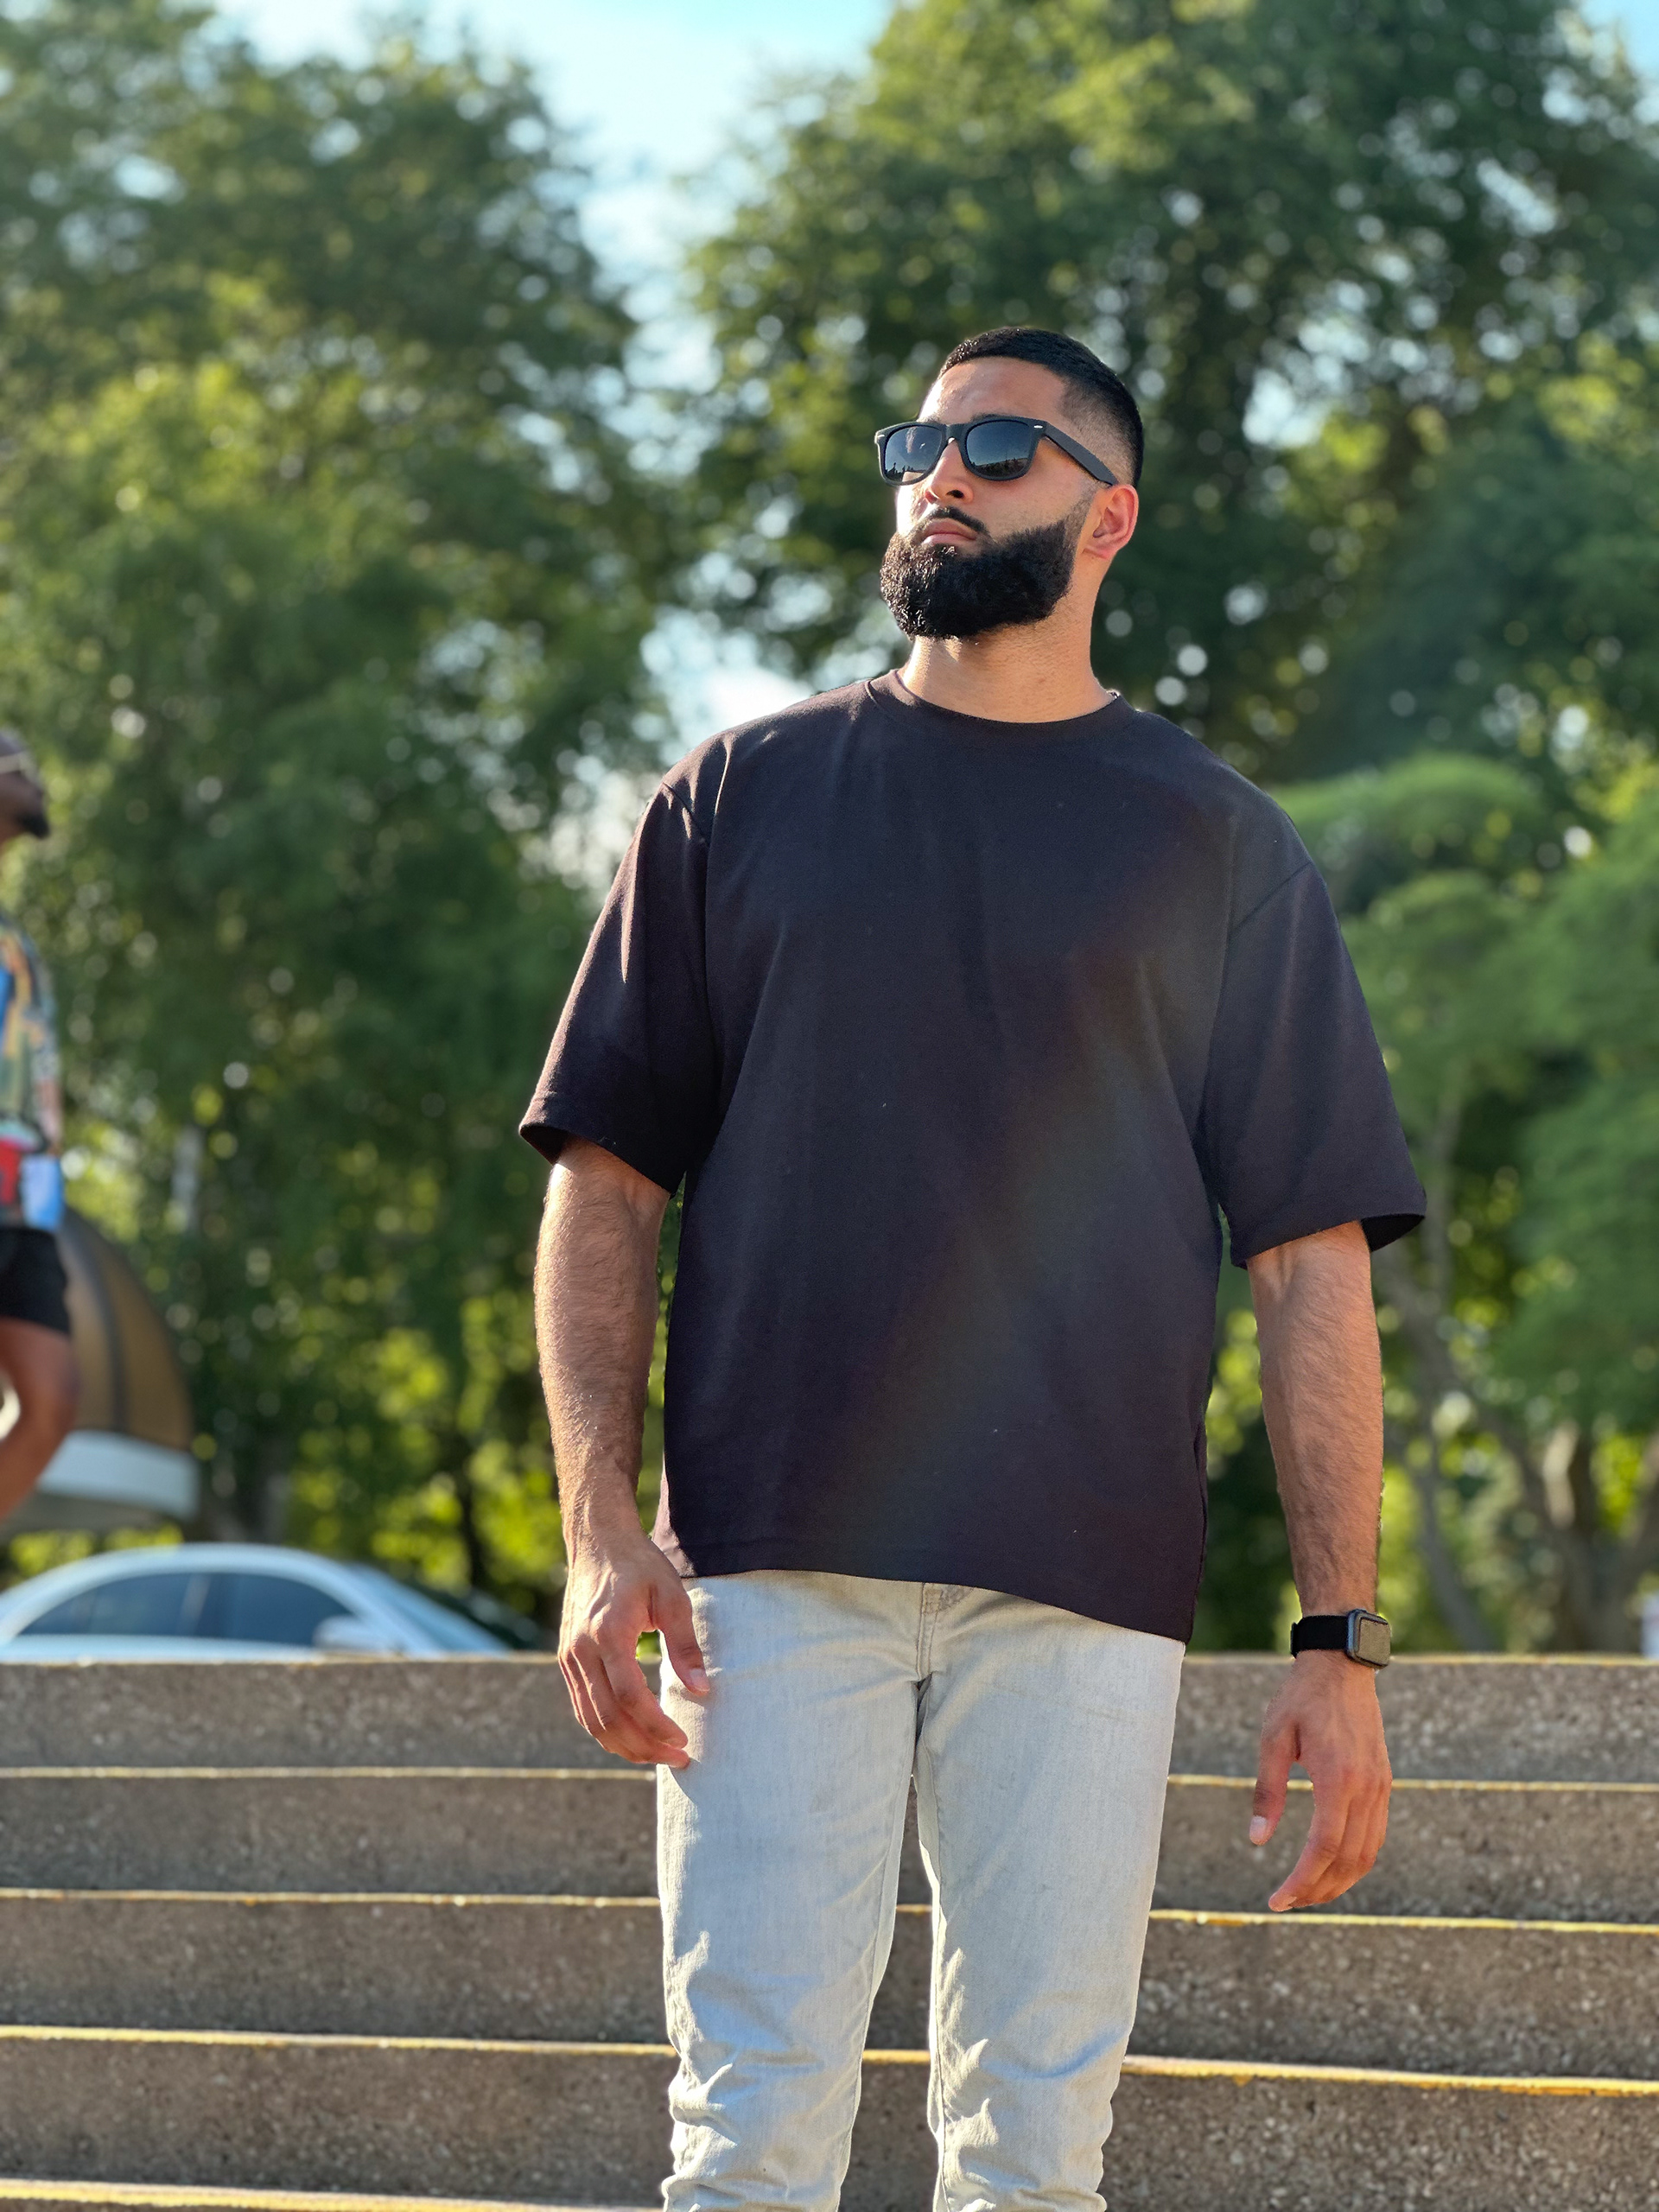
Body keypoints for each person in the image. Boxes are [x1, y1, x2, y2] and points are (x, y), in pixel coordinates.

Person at [523, 325, 1425, 2211]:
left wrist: (1337, 1641)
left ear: (1110, 518)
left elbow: (1309, 1256)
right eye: (920, 444)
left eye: (1001, 447)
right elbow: (605, 1177)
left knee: (1034, 2157)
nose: (942, 471)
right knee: (748, 2135)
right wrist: (599, 1526)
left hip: (1084, 1583)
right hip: (767, 1567)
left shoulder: (1223, 847)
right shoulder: (734, 799)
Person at [0, 730, 77, 1524]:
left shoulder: (13, 935)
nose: (40, 784)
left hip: (25, 1193)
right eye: (23, 769)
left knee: (53, 1400)